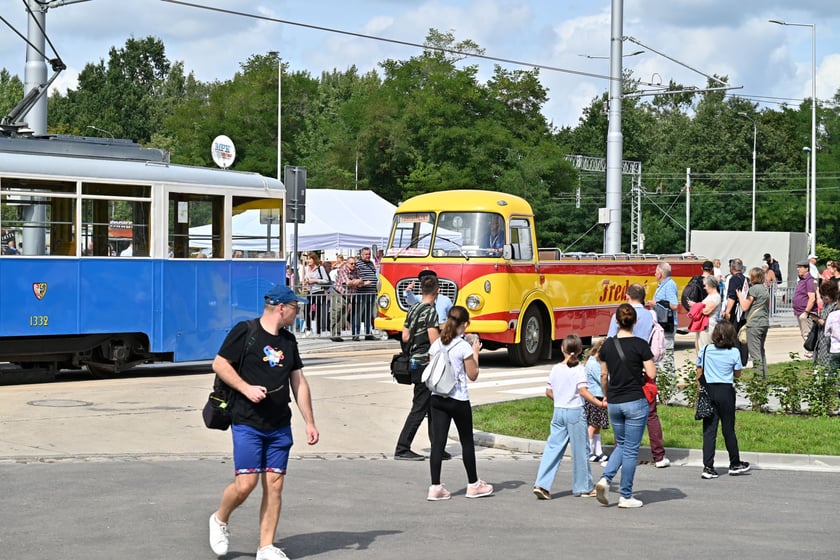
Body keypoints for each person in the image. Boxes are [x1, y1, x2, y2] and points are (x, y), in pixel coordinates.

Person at [208, 284, 319, 560]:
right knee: (246, 484)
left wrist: (310, 422)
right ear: (281, 308)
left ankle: (265, 546)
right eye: (296, 308)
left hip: (279, 423)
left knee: (275, 484)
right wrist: (246, 388)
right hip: (247, 421)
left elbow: (298, 381)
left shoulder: (289, 341)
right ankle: (220, 519)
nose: (298, 313)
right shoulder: (246, 332)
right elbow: (220, 364)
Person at [426, 306, 492, 500]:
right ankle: (473, 484)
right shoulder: (463, 346)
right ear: (464, 324)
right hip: (458, 399)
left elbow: (433, 370)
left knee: (438, 442)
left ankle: (435, 487)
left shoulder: (437, 344)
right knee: (466, 441)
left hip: (437, 398)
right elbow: (473, 375)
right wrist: (475, 352)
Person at [595, 304, 656, 508]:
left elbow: (603, 375)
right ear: (635, 322)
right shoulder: (640, 345)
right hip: (635, 401)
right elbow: (652, 373)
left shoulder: (607, 346)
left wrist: (606, 394)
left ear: (616, 321)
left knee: (622, 445)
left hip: (614, 401)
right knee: (630, 450)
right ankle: (626, 495)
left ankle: (605, 479)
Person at [533, 334, 605, 500]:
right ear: (580, 350)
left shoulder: (555, 369)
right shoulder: (579, 369)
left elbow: (548, 392)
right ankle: (584, 486)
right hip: (575, 411)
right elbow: (582, 390)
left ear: (562, 349)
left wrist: (560, 398)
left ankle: (541, 485)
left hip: (558, 411)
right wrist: (598, 403)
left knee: (553, 448)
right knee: (581, 450)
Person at [611, 283, 669, 468]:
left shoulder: (618, 314)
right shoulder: (650, 314)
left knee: (621, 412)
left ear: (627, 295)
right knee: (651, 413)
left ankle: (619, 453)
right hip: (644, 365)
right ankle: (658, 456)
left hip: (622, 368)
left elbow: (611, 339)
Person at [394, 275, 446, 461]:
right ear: (437, 291)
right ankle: (402, 447)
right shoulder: (431, 312)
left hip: (414, 362)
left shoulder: (413, 308)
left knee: (431, 406)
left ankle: (438, 447)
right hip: (425, 363)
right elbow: (434, 340)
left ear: (421, 290)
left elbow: (405, 336)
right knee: (420, 407)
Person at [695, 321, 751, 479]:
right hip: (726, 391)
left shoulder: (705, 350)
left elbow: (699, 372)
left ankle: (708, 466)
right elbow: (738, 374)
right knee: (728, 429)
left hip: (709, 390)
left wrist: (701, 389)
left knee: (709, 430)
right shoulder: (734, 352)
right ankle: (734, 462)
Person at [737, 267, 771, 378]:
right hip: (764, 322)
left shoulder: (754, 289)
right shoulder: (764, 288)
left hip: (754, 324)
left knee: (755, 353)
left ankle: (758, 379)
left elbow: (745, 306)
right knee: (761, 351)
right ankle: (764, 376)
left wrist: (740, 297)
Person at [584, 338, 609, 465]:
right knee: (593, 425)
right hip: (595, 397)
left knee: (597, 425)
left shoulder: (594, 362)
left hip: (597, 396)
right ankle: (588, 451)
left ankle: (598, 451)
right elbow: (603, 378)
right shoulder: (594, 364)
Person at [722, 258, 749, 365]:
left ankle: (736, 359)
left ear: (732, 268)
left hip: (736, 311)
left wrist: (727, 311)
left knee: (734, 335)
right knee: (743, 335)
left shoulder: (734, 279)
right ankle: (744, 358)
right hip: (744, 310)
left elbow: (732, 297)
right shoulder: (746, 279)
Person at [329, 257, 361, 342]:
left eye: (355, 263)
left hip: (348, 296)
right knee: (336, 313)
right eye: (352, 263)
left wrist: (355, 281)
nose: (354, 265)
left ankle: (338, 334)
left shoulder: (356, 270)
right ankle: (334, 334)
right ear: (347, 263)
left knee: (343, 315)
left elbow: (361, 282)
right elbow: (347, 282)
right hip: (338, 293)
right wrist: (356, 281)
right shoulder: (343, 269)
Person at [793, 260, 817, 358]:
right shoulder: (802, 280)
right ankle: (810, 350)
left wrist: (806, 312)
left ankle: (812, 351)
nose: (798, 269)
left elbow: (812, 298)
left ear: (806, 268)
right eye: (798, 267)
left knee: (808, 333)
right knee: (804, 333)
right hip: (799, 311)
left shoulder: (809, 280)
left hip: (805, 312)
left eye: (801, 267)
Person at [812, 281, 838, 371]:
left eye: (825, 295)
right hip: (821, 338)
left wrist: (819, 320)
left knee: (829, 365)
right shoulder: (825, 304)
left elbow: (832, 324)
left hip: (830, 341)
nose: (824, 298)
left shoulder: (836, 306)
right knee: (819, 362)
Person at [302, 252, 330, 335]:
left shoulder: (320, 268)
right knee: (306, 310)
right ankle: (308, 328)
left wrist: (315, 280)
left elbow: (326, 280)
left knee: (318, 312)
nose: (308, 260)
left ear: (314, 259)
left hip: (319, 291)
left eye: (310, 258)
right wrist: (306, 282)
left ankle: (318, 331)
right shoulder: (307, 268)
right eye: (308, 258)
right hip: (310, 291)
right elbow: (306, 278)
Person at [354, 247, 378, 340]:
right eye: (366, 254)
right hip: (362, 293)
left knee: (369, 314)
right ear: (361, 255)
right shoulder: (358, 264)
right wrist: (363, 283)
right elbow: (357, 277)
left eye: (369, 254)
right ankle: (356, 334)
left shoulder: (371, 263)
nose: (368, 256)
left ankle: (368, 333)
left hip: (371, 293)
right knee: (359, 314)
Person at [696, 275, 722, 351]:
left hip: (708, 325)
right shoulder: (709, 296)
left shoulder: (716, 297)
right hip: (703, 324)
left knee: (705, 347)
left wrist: (696, 307)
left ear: (710, 285)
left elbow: (706, 311)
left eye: (705, 285)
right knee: (700, 347)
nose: (704, 287)